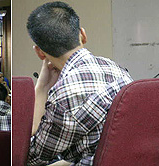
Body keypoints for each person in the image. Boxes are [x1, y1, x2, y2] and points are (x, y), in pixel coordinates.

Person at [26, 2, 133, 165]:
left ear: (40, 52)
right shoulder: (118, 69)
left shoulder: (64, 94)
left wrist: (41, 88)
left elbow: (33, 155)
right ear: (83, 35)